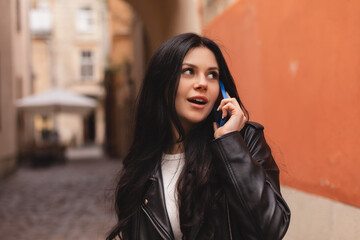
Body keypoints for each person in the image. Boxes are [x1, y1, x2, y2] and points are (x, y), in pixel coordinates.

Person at [106, 33, 291, 240]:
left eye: (212, 75)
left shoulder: (245, 141)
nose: (202, 83)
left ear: (221, 90)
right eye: (188, 71)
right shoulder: (143, 164)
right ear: (162, 82)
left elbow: (270, 230)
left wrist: (229, 144)